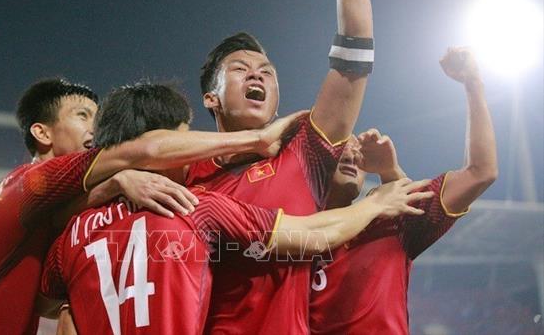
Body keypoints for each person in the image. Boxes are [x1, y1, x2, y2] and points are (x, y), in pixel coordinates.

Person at [40, 82, 434, 335]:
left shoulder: (71, 234)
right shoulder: (193, 208)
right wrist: (376, 204)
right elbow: (311, 235)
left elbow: (51, 310)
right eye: (184, 140)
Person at [0, 78, 307, 335]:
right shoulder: (31, 184)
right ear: (42, 133)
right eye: (81, 116)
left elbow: (43, 300)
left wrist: (114, 183)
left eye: (97, 116)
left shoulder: (51, 214)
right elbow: (143, 149)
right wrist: (257, 138)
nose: (95, 129)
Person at [186, 0, 373, 333]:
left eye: (266, 72)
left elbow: (353, 62)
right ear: (211, 100)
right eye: (239, 69)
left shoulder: (303, 152)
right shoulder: (180, 172)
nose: (257, 74)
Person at [309, 47, 498, 334]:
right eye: (340, 151)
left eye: (356, 153)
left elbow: (481, 172)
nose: (350, 155)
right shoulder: (290, 228)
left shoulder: (392, 217)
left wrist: (473, 83)